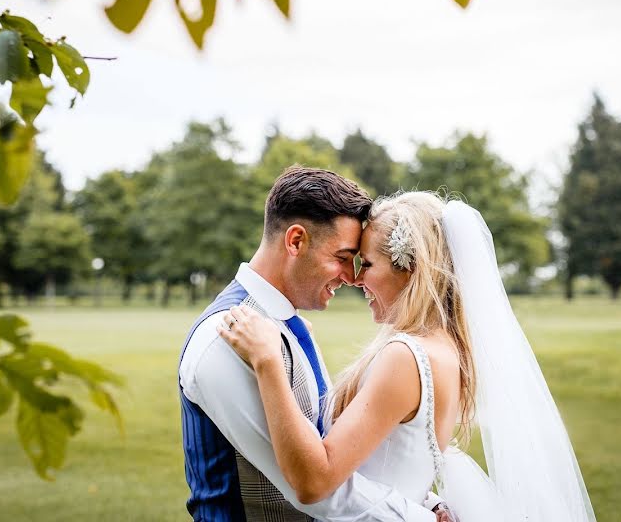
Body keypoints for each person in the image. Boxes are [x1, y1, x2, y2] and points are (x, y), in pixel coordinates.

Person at [220, 192, 598, 521]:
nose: (354, 279)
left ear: (410, 270)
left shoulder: (406, 358)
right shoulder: (446, 350)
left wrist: (269, 362)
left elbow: (316, 481)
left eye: (365, 264)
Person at [178, 167, 442, 521]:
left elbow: (331, 452)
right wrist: (415, 515)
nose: (351, 277)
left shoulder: (286, 325)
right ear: (296, 241)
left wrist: (422, 499)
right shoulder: (226, 337)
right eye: (342, 258)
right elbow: (316, 490)